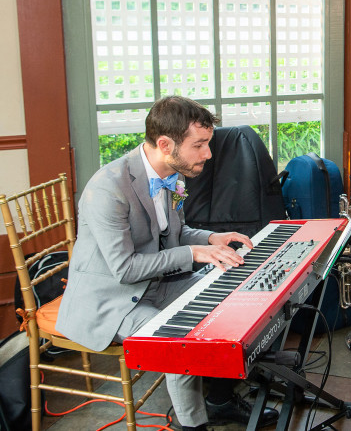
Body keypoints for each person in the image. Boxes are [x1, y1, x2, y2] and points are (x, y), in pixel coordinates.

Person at [56, 96, 276, 431]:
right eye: (199, 145)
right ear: (165, 144)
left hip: (157, 284)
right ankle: (192, 426)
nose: (208, 154)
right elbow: (126, 268)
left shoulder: (173, 174)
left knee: (227, 300)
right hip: (112, 300)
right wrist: (192, 254)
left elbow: (176, 231)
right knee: (179, 339)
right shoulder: (107, 188)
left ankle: (219, 400)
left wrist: (209, 239)